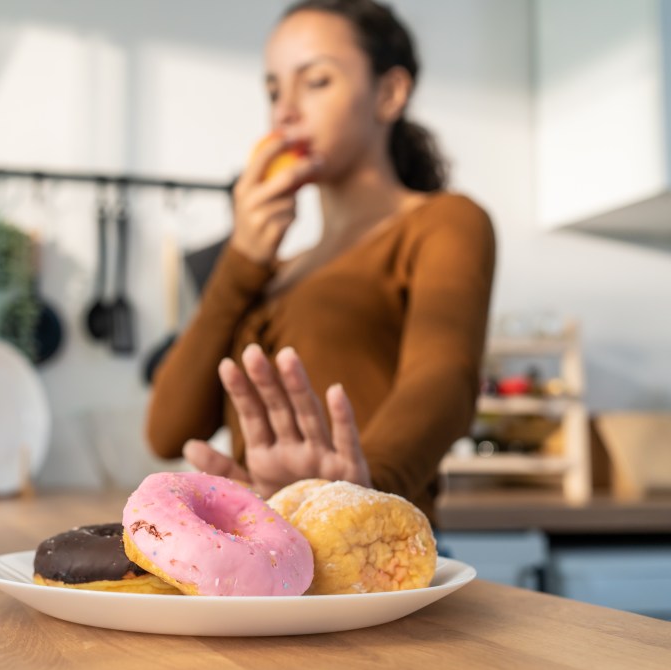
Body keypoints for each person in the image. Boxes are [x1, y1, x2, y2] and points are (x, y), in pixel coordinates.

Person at [145, 0, 496, 523]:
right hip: (271, 561)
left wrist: (358, 491)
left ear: (389, 93)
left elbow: (445, 380)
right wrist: (241, 259)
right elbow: (167, 431)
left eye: (316, 82)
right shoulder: (271, 269)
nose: (285, 109)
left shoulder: (443, 221)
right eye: (273, 90)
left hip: (376, 558)